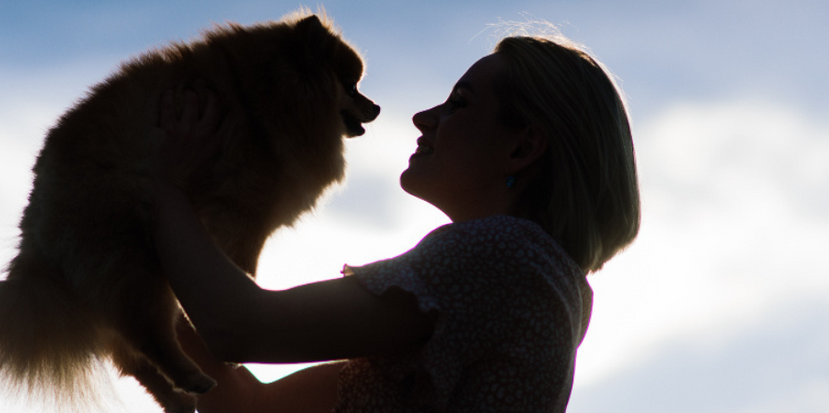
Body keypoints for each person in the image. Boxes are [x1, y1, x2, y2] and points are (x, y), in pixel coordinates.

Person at [151, 34, 641, 412]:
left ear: (521, 147)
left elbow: (240, 329)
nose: (422, 118)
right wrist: (132, 275)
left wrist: (162, 186)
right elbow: (246, 407)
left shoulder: (504, 256)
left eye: (459, 103)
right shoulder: (526, 286)